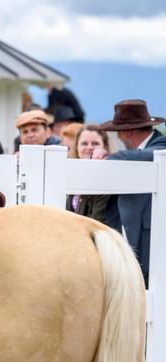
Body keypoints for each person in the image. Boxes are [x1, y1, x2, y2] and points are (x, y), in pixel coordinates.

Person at [94, 99, 166, 287]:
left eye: (119, 134)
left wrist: (108, 158)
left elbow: (150, 155)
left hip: (152, 250)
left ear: (127, 132)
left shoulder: (160, 146)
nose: (118, 139)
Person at [66, 125, 112, 225]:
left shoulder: (108, 177)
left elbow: (96, 221)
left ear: (105, 146)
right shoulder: (72, 174)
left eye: (95, 143)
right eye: (84, 143)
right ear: (77, 147)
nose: (89, 147)